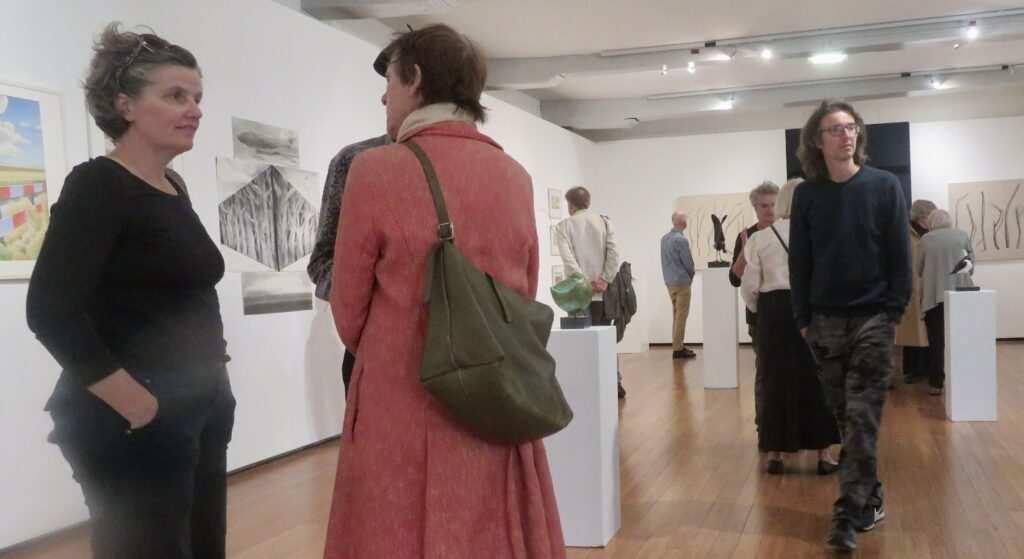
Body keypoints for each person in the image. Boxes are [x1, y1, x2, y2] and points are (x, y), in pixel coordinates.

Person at [324, 24, 565, 558]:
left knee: (395, 526)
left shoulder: (375, 169)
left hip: (400, 395)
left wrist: (394, 345)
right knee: (491, 526)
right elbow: (523, 289)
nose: (384, 97)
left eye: (389, 81)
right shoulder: (515, 175)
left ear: (414, 78)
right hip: (494, 391)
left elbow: (347, 309)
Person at [25, 24, 235, 558]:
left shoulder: (172, 186)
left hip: (198, 405)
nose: (194, 110)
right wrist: (140, 406)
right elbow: (51, 310)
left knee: (202, 547)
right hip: (131, 416)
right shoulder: (99, 185)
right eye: (175, 95)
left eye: (197, 98)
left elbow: (188, 297)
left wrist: (215, 386)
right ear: (126, 105)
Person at [790, 99, 910, 551]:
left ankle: (845, 515)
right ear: (816, 141)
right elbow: (800, 262)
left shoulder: (883, 186)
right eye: (836, 129)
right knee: (847, 419)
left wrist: (893, 311)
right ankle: (870, 497)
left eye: (851, 127)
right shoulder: (808, 195)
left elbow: (899, 254)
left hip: (873, 318)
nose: (847, 135)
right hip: (824, 322)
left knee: (863, 419)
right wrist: (803, 319)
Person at [740, 179, 840, 475]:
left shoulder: (760, 238)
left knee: (775, 380)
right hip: (811, 309)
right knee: (817, 379)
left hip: (774, 312)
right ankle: (823, 454)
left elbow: (749, 286)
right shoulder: (819, 234)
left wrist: (760, 309)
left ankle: (774, 454)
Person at [307, 133, 391, 396]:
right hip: (375, 358)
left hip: (458, 359)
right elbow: (321, 263)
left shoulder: (467, 163)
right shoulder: (355, 160)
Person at [555, 185, 625, 397]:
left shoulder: (564, 226)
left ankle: (586, 386)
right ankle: (614, 383)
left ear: (570, 205)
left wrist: (583, 280)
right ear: (588, 202)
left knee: (581, 341)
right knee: (605, 339)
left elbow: (568, 259)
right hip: (602, 294)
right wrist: (604, 279)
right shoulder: (605, 222)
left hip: (577, 295)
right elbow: (614, 253)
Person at [728, 181, 779, 438]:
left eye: (773, 204)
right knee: (765, 370)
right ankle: (765, 426)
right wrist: (745, 250)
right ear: (755, 208)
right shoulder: (746, 236)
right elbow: (735, 278)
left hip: (788, 313)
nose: (769, 210)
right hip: (760, 315)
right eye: (763, 206)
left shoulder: (787, 233)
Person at [916, 208, 975, 396]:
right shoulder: (962, 235)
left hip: (935, 297)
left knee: (936, 342)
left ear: (931, 222)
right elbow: (971, 265)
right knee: (962, 339)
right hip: (961, 295)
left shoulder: (926, 240)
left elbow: (918, 268)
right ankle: (963, 379)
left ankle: (936, 383)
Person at [895, 199, 936, 385]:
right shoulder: (905, 235)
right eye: (930, 216)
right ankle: (912, 370)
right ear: (921, 217)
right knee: (912, 332)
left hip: (931, 288)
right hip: (912, 287)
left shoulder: (934, 235)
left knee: (931, 331)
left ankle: (930, 368)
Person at [660, 211, 696, 358]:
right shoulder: (681, 240)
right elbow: (688, 263)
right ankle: (678, 348)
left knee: (676, 315)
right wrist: (690, 276)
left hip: (669, 282)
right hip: (681, 282)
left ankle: (677, 345)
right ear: (683, 222)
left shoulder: (664, 239)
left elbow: (664, 261)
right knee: (681, 316)